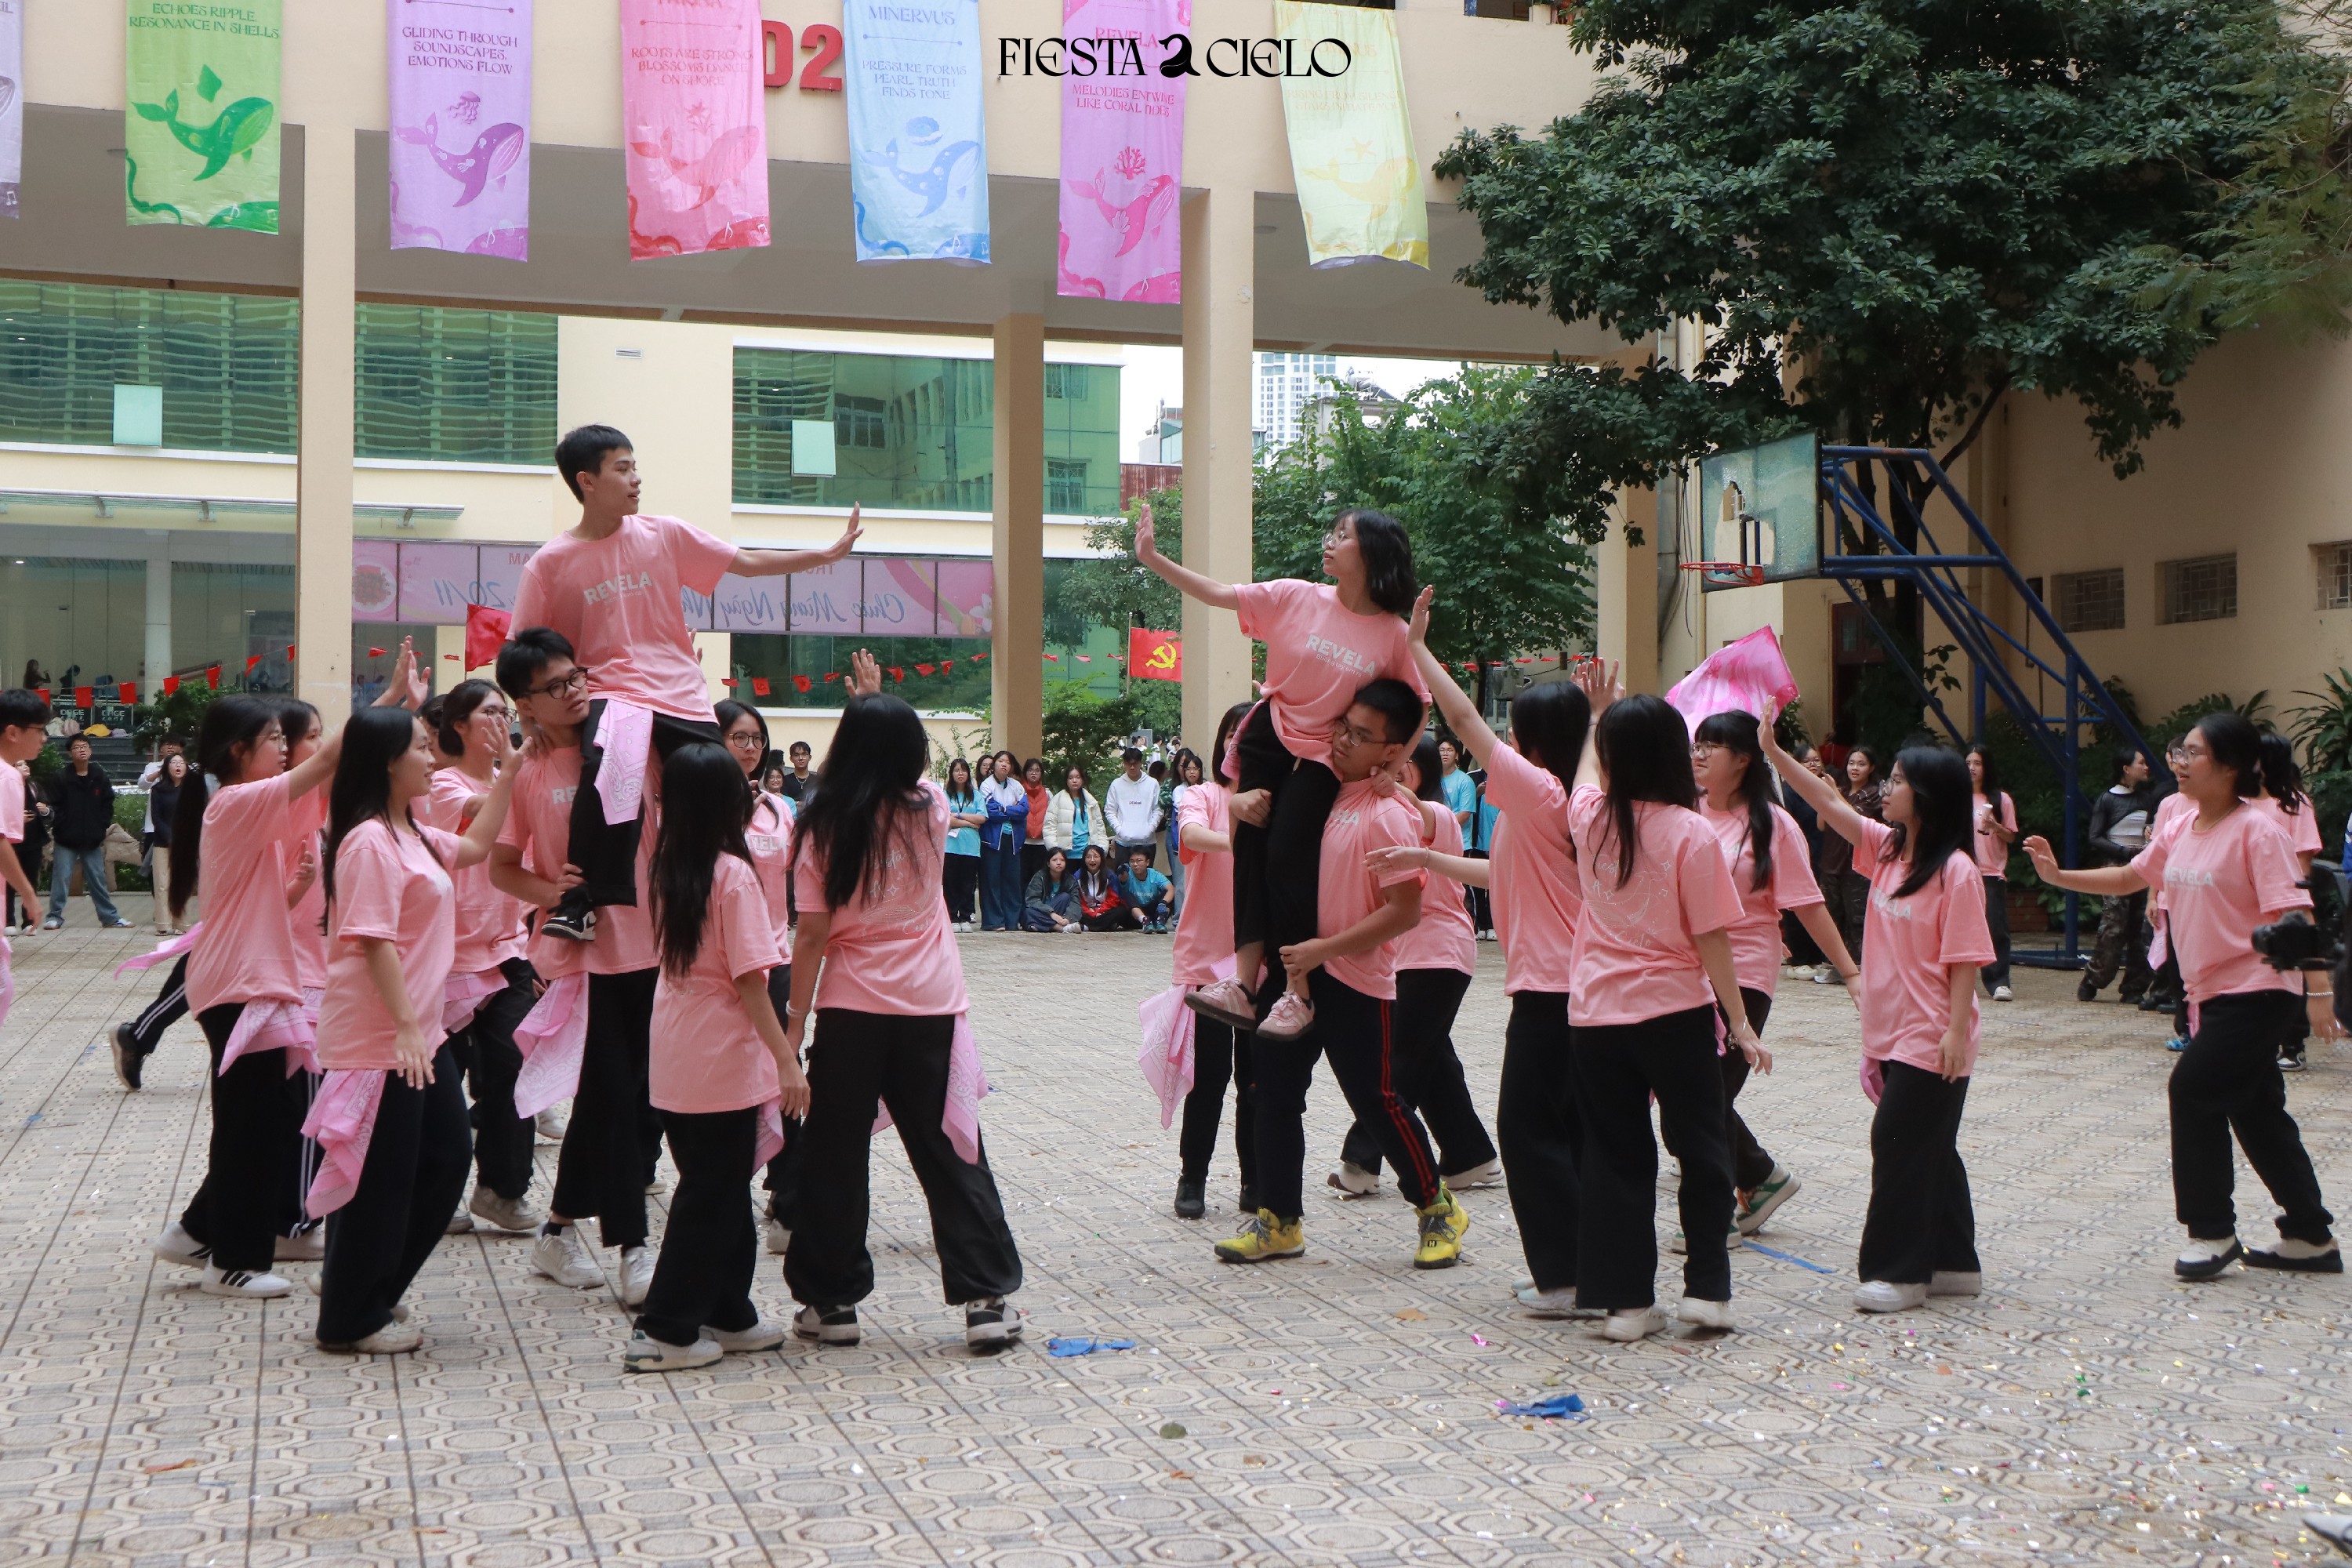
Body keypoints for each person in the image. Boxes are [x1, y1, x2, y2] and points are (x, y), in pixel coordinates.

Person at [510, 423, 861, 943]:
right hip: (612, 694)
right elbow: (523, 651)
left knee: (719, 789)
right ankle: (583, 900)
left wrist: (825, 556)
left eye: (635, 466)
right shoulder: (550, 564)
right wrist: (529, 718)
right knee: (612, 768)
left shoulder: (663, 534)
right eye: (622, 469)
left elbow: (746, 562)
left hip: (680, 693)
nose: (636, 479)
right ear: (586, 480)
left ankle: (718, 900)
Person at [150, 645, 424, 1300]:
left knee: (262, 1122)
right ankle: (233, 1261)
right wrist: (387, 703)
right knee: (250, 1128)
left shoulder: (251, 802)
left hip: (251, 984)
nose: (284, 747)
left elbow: (328, 773)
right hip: (241, 986)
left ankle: (195, 1233)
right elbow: (329, 760)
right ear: (238, 750)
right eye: (274, 738)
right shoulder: (234, 803)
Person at [2027, 713, 2342, 1279]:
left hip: (2259, 988)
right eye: (2179, 753)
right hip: (2212, 993)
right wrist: (2056, 876)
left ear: (2227, 767)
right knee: (2257, 1111)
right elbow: (2130, 879)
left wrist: (2318, 992)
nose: (2179, 761)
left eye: (2193, 753)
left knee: (2193, 1089)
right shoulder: (2180, 823)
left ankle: (2212, 1232)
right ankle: (2310, 1236)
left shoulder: (2258, 830)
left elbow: (2296, 916)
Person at [780, 685, 1026, 1351]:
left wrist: (794, 1025)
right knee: (950, 1142)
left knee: (835, 1154)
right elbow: (906, 773)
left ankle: (831, 1306)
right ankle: (985, 1301)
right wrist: (877, 708)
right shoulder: (934, 808)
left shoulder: (820, 823)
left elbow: (811, 936)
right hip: (931, 1005)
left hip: (851, 1006)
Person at [1137, 500, 1428, 1042]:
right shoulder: (1295, 596)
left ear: (1370, 553)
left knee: (1287, 859)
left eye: (1342, 535)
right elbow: (1220, 594)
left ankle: (1299, 994)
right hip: (1269, 737)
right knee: (1249, 852)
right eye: (1332, 531)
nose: (1329, 540)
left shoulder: (1391, 633)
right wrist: (1155, 559)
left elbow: (1419, 703)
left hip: (1323, 758)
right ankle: (1244, 986)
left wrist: (1392, 764)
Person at [1214, 677, 1471, 1272]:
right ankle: (1279, 1221)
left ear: (1391, 750)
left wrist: (1324, 950)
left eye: (1361, 735)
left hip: (1355, 979)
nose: (1344, 740)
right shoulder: (1320, 791)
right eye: (1343, 727)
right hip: (1296, 971)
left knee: (1378, 1102)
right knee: (1271, 1091)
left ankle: (1437, 1206)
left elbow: (1404, 912)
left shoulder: (1387, 815)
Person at [310, 704, 518, 1354]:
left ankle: (372, 1293)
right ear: (389, 762)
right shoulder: (369, 839)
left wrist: (510, 773)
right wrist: (403, 1028)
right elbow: (372, 941)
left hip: (418, 1034)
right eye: (423, 749)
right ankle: (349, 1316)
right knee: (382, 1179)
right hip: (384, 1036)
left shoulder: (417, 834)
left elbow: (480, 849)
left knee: (444, 1161)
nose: (434, 758)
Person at [1562, 667, 1761, 1342]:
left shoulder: (1588, 819)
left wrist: (1597, 715)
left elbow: (1587, 773)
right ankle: (1706, 1290)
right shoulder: (1691, 832)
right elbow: (1711, 936)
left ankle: (1625, 1304)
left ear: (1617, 757)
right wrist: (1739, 1022)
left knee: (1614, 1157)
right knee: (1702, 1150)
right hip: (1673, 1014)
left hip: (1595, 1017)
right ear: (1677, 756)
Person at [1404, 604, 1592, 1316]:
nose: (1504, 738)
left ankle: (1567, 1280)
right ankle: (1581, 1269)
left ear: (1537, 742)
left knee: (1525, 1130)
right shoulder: (1559, 803)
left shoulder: (1542, 793)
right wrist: (1431, 858)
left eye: (1516, 729)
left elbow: (1463, 723)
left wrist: (1420, 650)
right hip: (1569, 987)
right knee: (1568, 1132)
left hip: (1555, 991)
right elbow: (1505, 876)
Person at [1773, 727, 1995, 1314]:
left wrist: (1953, 1031)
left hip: (1932, 1033)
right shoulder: (1890, 851)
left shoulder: (1957, 873)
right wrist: (1772, 755)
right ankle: (1954, 1264)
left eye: (1898, 780)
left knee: (1897, 1140)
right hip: (1892, 1028)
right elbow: (1825, 802)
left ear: (1926, 793)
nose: (1888, 789)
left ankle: (1899, 1272)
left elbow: (1967, 958)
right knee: (1930, 1144)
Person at [490, 627, 663, 1309]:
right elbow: (506, 868)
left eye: (575, 677)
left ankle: (556, 1230)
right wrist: (550, 892)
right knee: (620, 1099)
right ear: (525, 706)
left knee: (610, 1099)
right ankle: (634, 1247)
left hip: (652, 944)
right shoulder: (530, 772)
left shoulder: (626, 746)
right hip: (584, 958)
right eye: (555, 687)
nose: (574, 691)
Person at [626, 741, 812, 1370]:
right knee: (710, 1191)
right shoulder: (730, 875)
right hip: (720, 1050)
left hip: (679, 1043)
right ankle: (664, 1329)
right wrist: (787, 1058)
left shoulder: (668, 863)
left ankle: (729, 1310)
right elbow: (749, 980)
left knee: (721, 1184)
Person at [1665, 712, 1855, 1251]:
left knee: (1699, 1102)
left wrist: (1852, 973)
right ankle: (1762, 1177)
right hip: (1685, 968)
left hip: (1746, 968)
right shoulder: (1684, 813)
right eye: (1695, 745)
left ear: (1744, 759)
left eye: (1712, 746)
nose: (1698, 754)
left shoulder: (1772, 824)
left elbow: (1810, 906)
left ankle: (1716, 1212)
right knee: (1694, 1101)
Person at [1337, 733, 1502, 1198]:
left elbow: (1417, 809)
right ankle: (1470, 1156)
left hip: (1440, 953)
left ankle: (1362, 1159)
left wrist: (1395, 786)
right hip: (1404, 955)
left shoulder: (1440, 816)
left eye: (1403, 765)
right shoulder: (1377, 814)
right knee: (1432, 1060)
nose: (1389, 774)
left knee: (1399, 1060)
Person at [423, 683, 543, 1237]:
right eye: (489, 713)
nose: (501, 721)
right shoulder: (441, 784)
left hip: (505, 951)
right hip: (444, 960)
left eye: (506, 712)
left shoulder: (509, 778)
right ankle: (436, 1189)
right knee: (437, 1087)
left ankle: (502, 1189)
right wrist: (516, 770)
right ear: (460, 726)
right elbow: (479, 813)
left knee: (514, 1069)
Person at [710, 699, 801, 1253]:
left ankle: (786, 1198)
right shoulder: (698, 805)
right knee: (734, 1085)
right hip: (719, 968)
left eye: (754, 739)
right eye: (737, 737)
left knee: (788, 1073)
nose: (748, 748)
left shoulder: (777, 809)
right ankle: (720, 1191)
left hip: (776, 956)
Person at [1170, 704, 1257, 1219]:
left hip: (1259, 961)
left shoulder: (1278, 801)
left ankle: (1254, 1180)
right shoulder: (1203, 796)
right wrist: (1245, 839)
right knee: (1208, 1077)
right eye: (1232, 735)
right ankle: (1192, 1177)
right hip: (1206, 958)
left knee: (1256, 1079)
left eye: (1248, 736)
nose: (1238, 745)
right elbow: (1191, 836)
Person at [2081, 745, 2156, 1004]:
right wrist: (2123, 851)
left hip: (2142, 866)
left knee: (2141, 928)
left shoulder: (2148, 799)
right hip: (2116, 865)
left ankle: (2134, 986)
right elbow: (2095, 837)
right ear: (2126, 769)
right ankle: (2094, 978)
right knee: (2114, 926)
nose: (2146, 767)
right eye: (2141, 763)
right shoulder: (2107, 799)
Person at [43, 734, 130, 929]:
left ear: (90, 750)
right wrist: (63, 826)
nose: (81, 750)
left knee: (98, 880)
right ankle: (54, 917)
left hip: (92, 839)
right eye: (76, 747)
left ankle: (109, 917)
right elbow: (55, 806)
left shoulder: (98, 776)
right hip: (66, 839)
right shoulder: (62, 777)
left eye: (85, 746)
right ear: (70, 752)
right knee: (61, 879)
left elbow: (108, 804)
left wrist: (101, 826)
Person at [0, 692, 47, 1022]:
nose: (45, 738)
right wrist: (30, 896)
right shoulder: (7, 777)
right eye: (39, 730)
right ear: (13, 732)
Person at [1965, 744, 2019, 1002]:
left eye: (1977, 763)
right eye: (1968, 763)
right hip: (1962, 871)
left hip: (1991, 872)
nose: (1972, 769)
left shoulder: (2000, 799)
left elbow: (2011, 836)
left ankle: (1999, 981)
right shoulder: (1956, 797)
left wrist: (1995, 826)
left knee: (1995, 927)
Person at [978, 751, 1027, 933]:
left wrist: (1004, 809)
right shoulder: (986, 785)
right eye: (1000, 761)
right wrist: (1010, 811)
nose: (1004, 765)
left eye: (1007, 762)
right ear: (994, 765)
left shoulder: (1017, 786)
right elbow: (991, 812)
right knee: (992, 880)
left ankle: (1011, 921)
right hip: (993, 840)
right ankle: (993, 921)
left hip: (1013, 840)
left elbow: (1024, 810)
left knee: (1012, 881)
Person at [144, 753, 188, 933]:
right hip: (163, 843)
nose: (178, 766)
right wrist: (170, 838)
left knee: (181, 884)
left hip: (184, 843)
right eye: (174, 763)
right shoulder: (158, 790)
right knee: (162, 885)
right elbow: (156, 818)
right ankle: (163, 924)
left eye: (181, 762)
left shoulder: (190, 790)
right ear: (167, 768)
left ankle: (181, 924)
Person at [942, 757, 985, 933]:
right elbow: (945, 819)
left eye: (964, 770)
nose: (961, 774)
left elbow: (982, 818)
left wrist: (958, 816)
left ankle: (966, 916)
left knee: (968, 884)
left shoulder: (976, 795)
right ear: (952, 774)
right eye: (957, 770)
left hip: (970, 847)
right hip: (950, 846)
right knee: (951, 883)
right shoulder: (945, 795)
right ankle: (952, 916)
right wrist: (968, 822)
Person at [1105, 747, 1164, 870]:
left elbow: (1158, 809)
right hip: (1123, 843)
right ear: (1124, 764)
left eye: (1135, 764)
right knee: (1123, 880)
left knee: (1146, 881)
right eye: (1128, 764)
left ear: (1141, 763)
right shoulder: (1117, 784)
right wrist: (1121, 831)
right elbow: (1110, 810)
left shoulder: (1152, 783)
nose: (1132, 767)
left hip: (1147, 843)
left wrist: (1150, 829)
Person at [9, 762, 46, 935]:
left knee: (31, 880)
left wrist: (45, 810)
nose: (25, 767)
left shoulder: (34, 787)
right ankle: (8, 921)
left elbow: (49, 810)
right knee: (9, 882)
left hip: (33, 840)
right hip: (11, 842)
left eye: (26, 764)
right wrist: (17, 817)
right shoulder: (6, 785)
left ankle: (29, 922)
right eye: (19, 764)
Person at [1071, 844, 1128, 931]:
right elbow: (1078, 901)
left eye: (1096, 857)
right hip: (1087, 911)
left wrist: (1099, 911)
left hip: (1105, 911)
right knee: (1075, 911)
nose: (1092, 860)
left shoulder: (1110, 875)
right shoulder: (1078, 876)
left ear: (1101, 858)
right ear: (1084, 859)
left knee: (1121, 911)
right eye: (1088, 857)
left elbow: (1114, 899)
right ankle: (1105, 925)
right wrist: (1092, 913)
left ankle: (1088, 927)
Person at [1117, 847, 1172, 933]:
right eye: (1132, 861)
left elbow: (1170, 888)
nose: (1135, 864)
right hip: (1134, 917)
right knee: (1127, 896)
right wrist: (1122, 871)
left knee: (1167, 895)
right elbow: (1122, 877)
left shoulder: (1155, 875)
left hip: (1153, 913)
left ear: (1147, 862)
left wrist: (1163, 902)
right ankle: (1145, 921)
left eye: (1139, 860)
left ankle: (1161, 920)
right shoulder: (1128, 874)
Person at [1022, 848, 1077, 932]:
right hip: (1043, 912)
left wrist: (1068, 918)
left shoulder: (1071, 880)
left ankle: (1038, 925)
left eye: (1062, 860)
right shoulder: (1040, 877)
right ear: (1048, 863)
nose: (1059, 863)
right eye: (1055, 860)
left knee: (1065, 897)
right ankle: (1060, 928)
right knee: (1027, 912)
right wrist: (1051, 913)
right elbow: (1032, 900)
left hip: (1060, 914)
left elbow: (1075, 903)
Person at [1019, 757, 1051, 888]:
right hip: (1023, 842)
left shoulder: (1048, 794)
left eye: (1037, 770)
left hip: (1041, 843)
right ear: (1025, 772)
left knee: (1039, 879)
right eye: (1030, 770)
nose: (1033, 773)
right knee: (1022, 878)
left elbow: (1051, 818)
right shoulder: (1019, 791)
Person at [778, 740, 815, 804]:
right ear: (791, 759)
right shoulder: (785, 780)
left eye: (804, 754)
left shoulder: (817, 781)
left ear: (810, 757)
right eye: (796, 755)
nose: (800, 758)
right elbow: (784, 802)